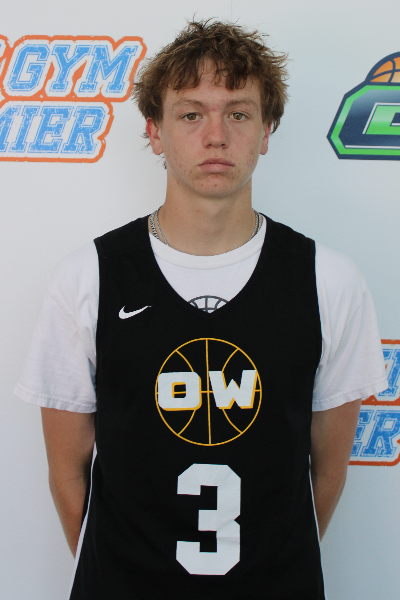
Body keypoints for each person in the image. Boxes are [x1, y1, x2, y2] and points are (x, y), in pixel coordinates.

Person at [15, 19, 387, 600]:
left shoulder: (328, 280)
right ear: (155, 132)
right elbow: (67, 475)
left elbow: (328, 471)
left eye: (238, 114)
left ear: (267, 130)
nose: (216, 136)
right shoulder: (87, 277)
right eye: (191, 114)